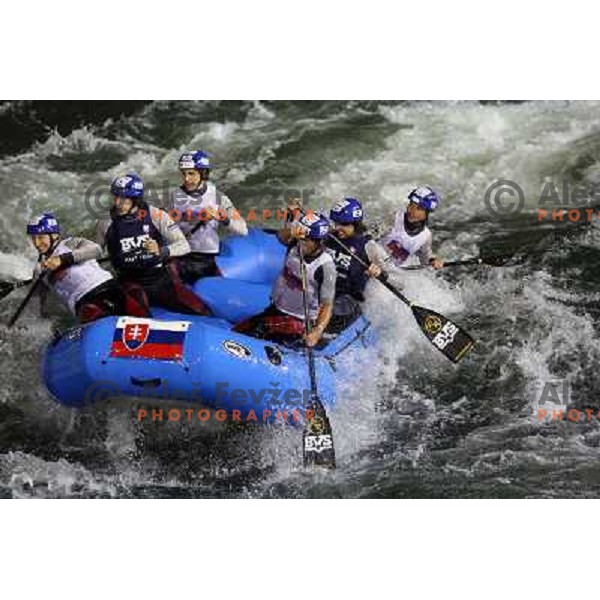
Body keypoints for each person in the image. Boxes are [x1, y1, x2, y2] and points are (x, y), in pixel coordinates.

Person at [96, 173, 211, 316]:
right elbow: (96, 252)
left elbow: (184, 246)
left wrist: (162, 251)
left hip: (158, 279)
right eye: (116, 196)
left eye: (124, 198)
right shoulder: (105, 222)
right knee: (140, 315)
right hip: (129, 283)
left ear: (135, 199)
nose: (118, 202)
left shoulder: (156, 215)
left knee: (201, 310)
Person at [26, 212, 149, 323]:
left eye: (41, 237)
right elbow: (37, 300)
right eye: (33, 238)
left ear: (54, 235)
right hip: (83, 301)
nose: (37, 243)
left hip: (107, 286)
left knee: (134, 293)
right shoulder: (39, 270)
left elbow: (96, 250)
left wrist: (62, 259)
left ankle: (145, 319)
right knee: (92, 312)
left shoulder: (71, 243)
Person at [235, 213, 336, 347]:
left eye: (306, 240)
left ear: (319, 242)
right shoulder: (295, 243)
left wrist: (317, 332)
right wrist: (294, 230)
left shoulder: (325, 267)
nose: (301, 243)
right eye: (300, 238)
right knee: (240, 329)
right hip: (278, 308)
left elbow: (327, 305)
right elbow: (280, 236)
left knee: (257, 331)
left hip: (299, 321)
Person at [166, 150, 248, 283]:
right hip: (181, 254)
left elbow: (243, 230)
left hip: (206, 257)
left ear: (203, 173)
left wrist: (223, 218)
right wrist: (193, 216)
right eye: (184, 173)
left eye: (191, 173)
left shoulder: (218, 197)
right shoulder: (175, 195)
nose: (186, 179)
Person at [324, 197, 396, 332]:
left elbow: (400, 281)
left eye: (344, 224)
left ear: (355, 224)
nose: (338, 228)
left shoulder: (370, 247)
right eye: (336, 223)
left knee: (326, 310)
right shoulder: (329, 236)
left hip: (347, 300)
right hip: (324, 289)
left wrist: (380, 273)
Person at [380, 186, 445, 269]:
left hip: (391, 271)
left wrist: (433, 261)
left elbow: (425, 258)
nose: (411, 210)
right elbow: (370, 236)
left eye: (418, 208)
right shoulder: (394, 218)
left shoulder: (426, 236)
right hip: (373, 262)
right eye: (411, 204)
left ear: (426, 213)